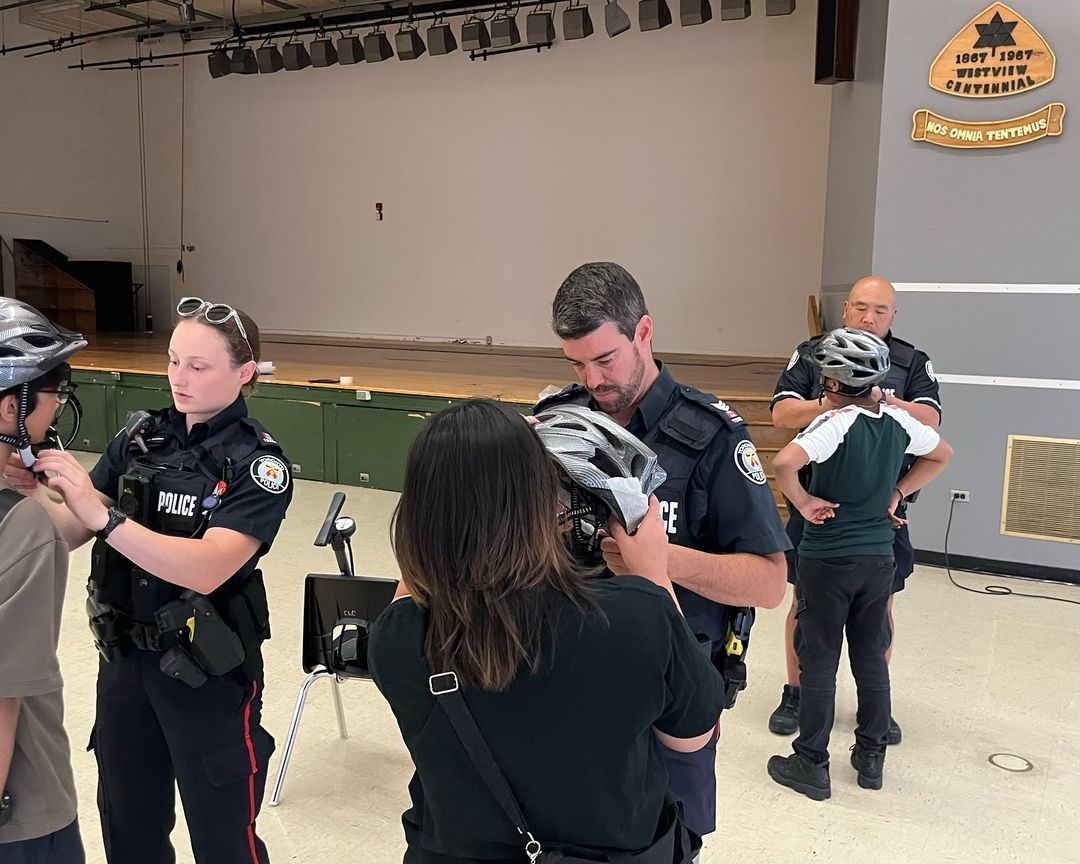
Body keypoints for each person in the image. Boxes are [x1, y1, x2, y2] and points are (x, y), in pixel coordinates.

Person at [369, 398, 724, 864]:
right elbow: (693, 736)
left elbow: (422, 579)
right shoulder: (638, 616)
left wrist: (467, 459)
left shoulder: (397, 636)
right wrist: (654, 573)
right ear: (543, 505)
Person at [4, 297, 293, 864]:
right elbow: (70, 530)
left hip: (204, 674)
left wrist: (104, 516)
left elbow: (210, 566)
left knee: (223, 839)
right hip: (125, 665)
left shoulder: (257, 464)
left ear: (245, 372)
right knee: (129, 829)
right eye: (172, 360)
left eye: (199, 366)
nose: (179, 378)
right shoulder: (141, 437)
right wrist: (31, 492)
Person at [535, 262, 789, 838]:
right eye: (576, 363)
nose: (593, 379)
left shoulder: (712, 437)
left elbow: (769, 584)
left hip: (671, 695)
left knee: (669, 841)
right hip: (565, 676)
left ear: (644, 332)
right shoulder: (562, 424)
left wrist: (656, 559)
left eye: (606, 359)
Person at [766, 328, 952, 800]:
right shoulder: (898, 419)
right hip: (879, 559)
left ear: (830, 379)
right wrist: (897, 492)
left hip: (827, 559)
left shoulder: (834, 423)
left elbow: (785, 462)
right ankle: (871, 756)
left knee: (821, 657)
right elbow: (942, 454)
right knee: (871, 656)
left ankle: (810, 761)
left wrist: (805, 502)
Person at [0, 298, 87, 863]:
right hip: (23, 803)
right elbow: (5, 694)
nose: (58, 406)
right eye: (53, 392)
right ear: (13, 406)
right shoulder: (23, 526)